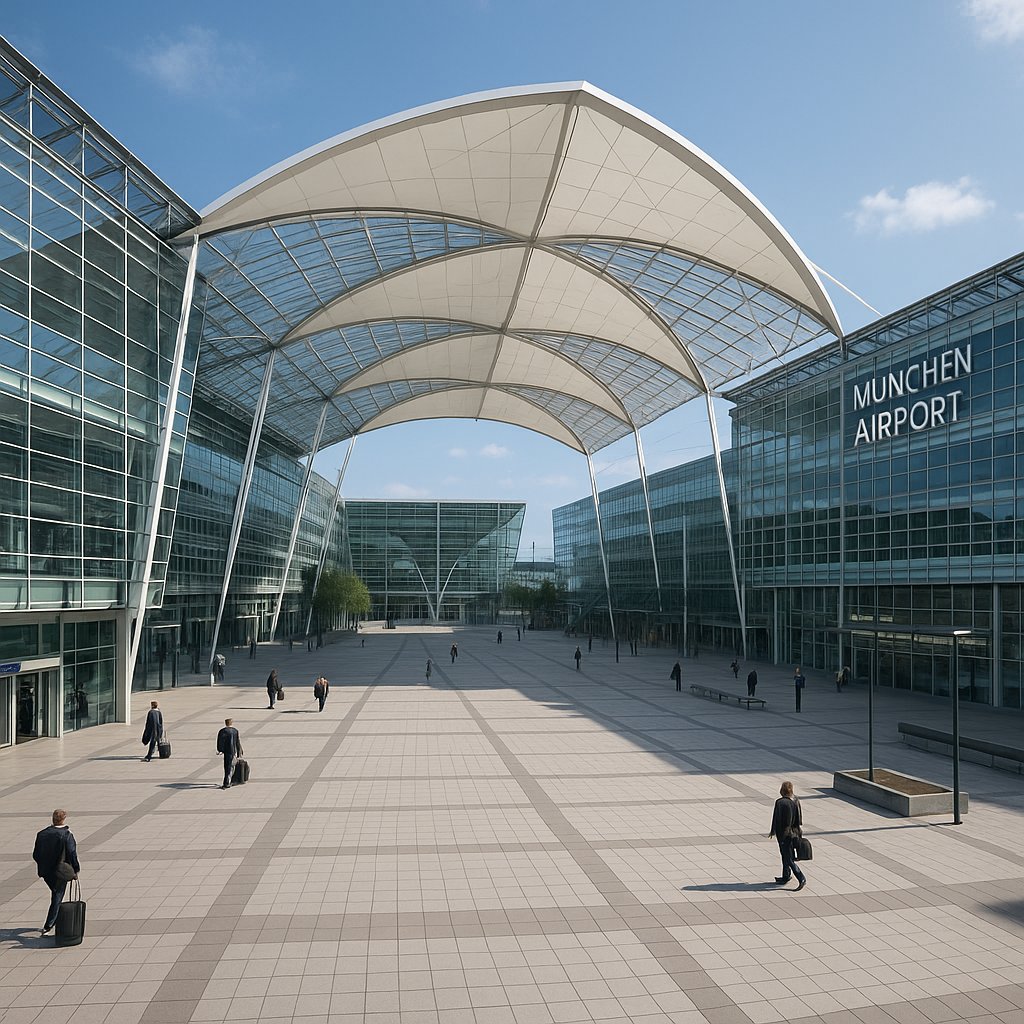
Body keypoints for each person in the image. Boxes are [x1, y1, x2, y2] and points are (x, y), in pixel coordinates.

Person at [33, 809, 80, 934]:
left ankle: (53, 920)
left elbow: (36, 854)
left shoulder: (42, 834)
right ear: (64, 819)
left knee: (55, 893)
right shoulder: (66, 835)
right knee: (57, 895)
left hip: (46, 871)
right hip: (60, 870)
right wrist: (76, 868)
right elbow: (72, 853)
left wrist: (43, 865)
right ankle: (49, 924)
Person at [768, 781, 806, 890]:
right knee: (786, 854)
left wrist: (774, 831)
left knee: (787, 856)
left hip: (785, 834)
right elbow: (799, 818)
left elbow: (778, 820)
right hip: (795, 832)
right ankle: (786, 876)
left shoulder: (781, 802)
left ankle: (801, 877)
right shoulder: (796, 800)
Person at [216, 719, 242, 789]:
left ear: (225, 723)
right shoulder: (235, 731)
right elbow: (237, 741)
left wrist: (220, 749)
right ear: (232, 723)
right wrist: (239, 751)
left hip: (227, 751)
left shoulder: (223, 731)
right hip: (234, 751)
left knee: (227, 767)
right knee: (231, 766)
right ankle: (229, 780)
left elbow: (220, 741)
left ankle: (226, 782)